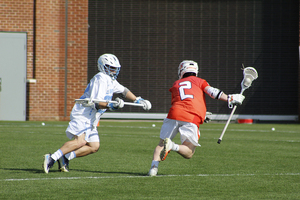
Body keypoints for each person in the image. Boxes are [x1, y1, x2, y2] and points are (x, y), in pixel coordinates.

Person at [43, 53, 151, 173]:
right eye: (111, 67)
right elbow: (96, 102)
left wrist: (138, 100)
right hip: (83, 114)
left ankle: (65, 157)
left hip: (92, 117)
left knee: (94, 146)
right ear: (103, 66)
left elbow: (124, 91)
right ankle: (52, 158)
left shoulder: (110, 80)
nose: (114, 71)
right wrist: (112, 105)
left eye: (115, 68)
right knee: (80, 141)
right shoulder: (100, 78)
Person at [148, 60, 245, 176]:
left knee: (161, 144)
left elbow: (182, 102)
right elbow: (213, 92)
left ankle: (153, 169)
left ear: (182, 70)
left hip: (173, 114)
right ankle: (172, 146)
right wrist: (230, 98)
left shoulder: (176, 83)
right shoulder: (200, 81)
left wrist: (202, 115)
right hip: (190, 117)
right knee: (189, 152)